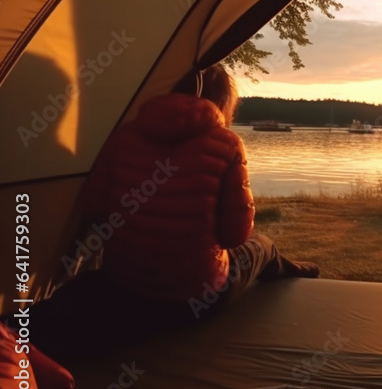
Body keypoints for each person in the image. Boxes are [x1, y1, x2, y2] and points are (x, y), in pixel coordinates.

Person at [28, 64, 318, 360]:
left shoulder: (123, 135)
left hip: (125, 284)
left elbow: (94, 208)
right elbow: (235, 235)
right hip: (196, 297)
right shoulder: (227, 143)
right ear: (223, 102)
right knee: (263, 245)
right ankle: (284, 268)